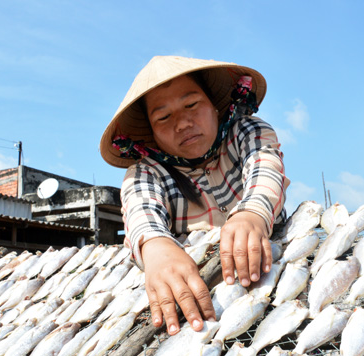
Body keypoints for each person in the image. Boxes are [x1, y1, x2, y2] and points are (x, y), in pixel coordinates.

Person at [100, 55, 289, 336]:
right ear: (151, 131)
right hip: (209, 307)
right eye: (163, 117)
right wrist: (156, 248)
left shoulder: (247, 132)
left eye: (191, 105)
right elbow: (142, 216)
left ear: (214, 106)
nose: (182, 123)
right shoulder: (146, 174)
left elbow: (266, 170)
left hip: (275, 275)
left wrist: (252, 214)